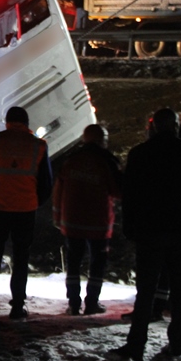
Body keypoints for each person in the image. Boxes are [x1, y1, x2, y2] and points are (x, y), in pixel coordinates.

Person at [108, 108, 181, 361]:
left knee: (145, 289)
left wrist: (130, 227)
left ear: (153, 126)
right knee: (180, 289)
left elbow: (129, 194)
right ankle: (176, 343)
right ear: (176, 127)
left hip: (150, 230)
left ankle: (136, 345)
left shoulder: (140, 153)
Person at [0, 106, 53, 320]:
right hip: (25, 210)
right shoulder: (39, 146)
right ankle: (17, 306)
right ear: (26, 123)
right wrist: (35, 201)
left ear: (7, 121)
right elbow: (46, 182)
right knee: (20, 259)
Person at [53, 124, 122, 316]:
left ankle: (73, 303)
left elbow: (58, 190)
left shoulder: (71, 160)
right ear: (101, 140)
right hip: (97, 223)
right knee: (97, 263)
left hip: (72, 221)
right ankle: (92, 302)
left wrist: (57, 216)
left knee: (73, 262)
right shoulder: (107, 162)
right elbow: (118, 190)